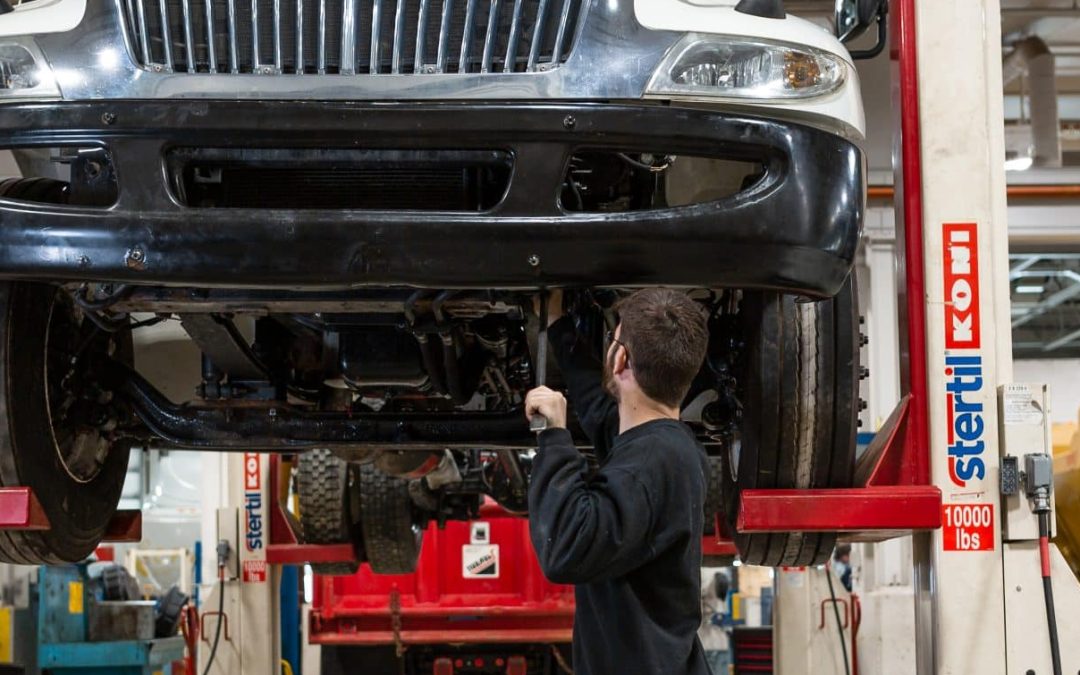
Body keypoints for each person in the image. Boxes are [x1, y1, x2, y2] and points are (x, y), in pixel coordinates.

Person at [525, 288, 713, 675]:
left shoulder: (651, 462)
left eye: (615, 339)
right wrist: (559, 326)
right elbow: (599, 411)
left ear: (620, 358)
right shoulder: (668, 449)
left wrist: (555, 437)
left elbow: (565, 549)